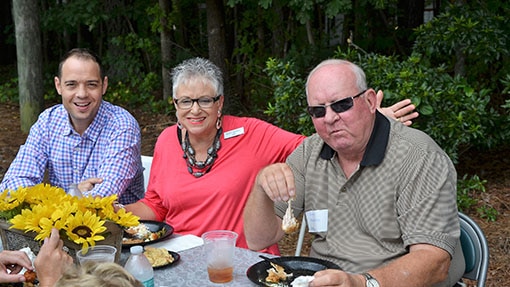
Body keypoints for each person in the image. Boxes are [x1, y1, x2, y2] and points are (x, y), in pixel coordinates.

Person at [120, 57, 418, 255]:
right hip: (177, 258)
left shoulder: (252, 134)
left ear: (220, 102)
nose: (194, 110)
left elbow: (313, 146)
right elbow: (156, 206)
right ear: (175, 104)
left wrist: (365, 119)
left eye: (204, 100)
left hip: (239, 262)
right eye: (185, 101)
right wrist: (112, 211)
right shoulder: (166, 141)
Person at [243, 59, 465, 286]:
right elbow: (258, 239)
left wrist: (361, 282)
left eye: (341, 105)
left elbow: (435, 261)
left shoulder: (419, 157)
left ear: (370, 101)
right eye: (318, 111)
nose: (329, 118)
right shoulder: (309, 152)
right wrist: (261, 186)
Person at [0, 48, 144, 204]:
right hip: (56, 224)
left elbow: (102, 197)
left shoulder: (122, 126)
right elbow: (13, 183)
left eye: (91, 84)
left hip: (117, 225)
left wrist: (51, 199)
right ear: (58, 86)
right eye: (71, 84)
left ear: (104, 85)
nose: (81, 94)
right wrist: (73, 195)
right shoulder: (48, 122)